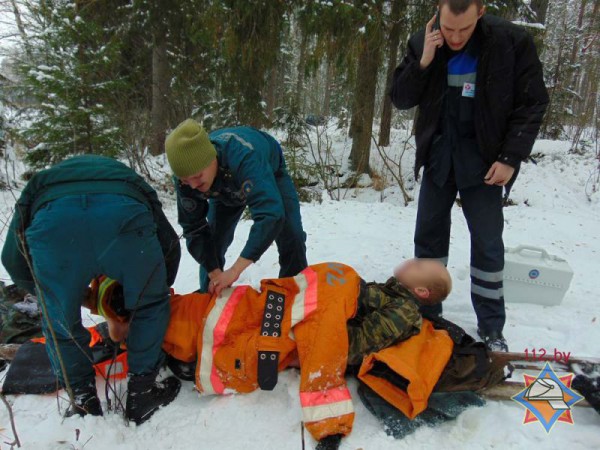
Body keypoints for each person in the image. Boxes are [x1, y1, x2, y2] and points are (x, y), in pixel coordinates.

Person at [87, 258, 452, 449]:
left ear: (421, 291)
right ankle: (121, 304)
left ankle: (123, 317)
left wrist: (305, 335)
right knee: (194, 310)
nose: (412, 259)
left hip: (278, 329)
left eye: (420, 265)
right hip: (266, 305)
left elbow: (351, 342)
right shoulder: (382, 292)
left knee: (194, 327)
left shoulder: (404, 312)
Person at [390, 0, 549, 351]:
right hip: (439, 155)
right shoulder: (423, 41)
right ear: (438, 13)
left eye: (464, 29)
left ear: (480, 12)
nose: (456, 37)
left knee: (488, 244)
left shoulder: (510, 41)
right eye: (448, 29)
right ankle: (427, 317)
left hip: (485, 160)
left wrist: (511, 156)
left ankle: (492, 327)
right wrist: (425, 60)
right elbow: (400, 98)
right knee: (428, 242)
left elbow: (533, 102)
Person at [1, 155, 182, 424]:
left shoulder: (39, 185)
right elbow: (169, 244)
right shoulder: (129, 179)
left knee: (60, 322)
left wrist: (49, 294)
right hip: (123, 214)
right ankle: (142, 393)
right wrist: (155, 288)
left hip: (55, 224)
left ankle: (84, 402)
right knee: (150, 305)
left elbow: (11, 259)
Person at [165, 119, 308, 294]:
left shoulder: (245, 157)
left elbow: (270, 215)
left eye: (197, 176)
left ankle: (294, 293)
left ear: (211, 160)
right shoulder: (186, 181)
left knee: (291, 233)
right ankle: (209, 299)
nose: (193, 186)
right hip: (221, 190)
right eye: (185, 180)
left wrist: (234, 271)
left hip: (269, 171)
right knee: (213, 243)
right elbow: (194, 229)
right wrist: (215, 273)